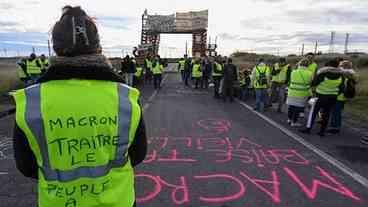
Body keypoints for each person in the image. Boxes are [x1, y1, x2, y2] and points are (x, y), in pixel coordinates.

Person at [11, 6, 147, 207]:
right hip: (117, 200)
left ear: (56, 47)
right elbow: (138, 154)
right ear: (97, 46)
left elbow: (26, 166)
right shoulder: (125, 96)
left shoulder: (32, 100)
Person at [300, 58, 345, 136]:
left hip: (320, 96)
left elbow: (314, 83)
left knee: (313, 113)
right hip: (332, 97)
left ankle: (308, 129)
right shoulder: (341, 75)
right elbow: (342, 88)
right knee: (326, 114)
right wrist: (335, 93)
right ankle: (322, 131)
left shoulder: (323, 74)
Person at [328, 60, 357, 134]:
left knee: (336, 112)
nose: (339, 66)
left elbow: (339, 85)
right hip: (343, 96)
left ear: (344, 66)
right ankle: (334, 126)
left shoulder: (343, 74)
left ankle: (335, 127)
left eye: (340, 65)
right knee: (337, 111)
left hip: (338, 95)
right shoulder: (351, 74)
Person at [286, 58, 313, 127]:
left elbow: (291, 80)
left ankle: (289, 119)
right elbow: (310, 83)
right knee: (297, 108)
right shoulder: (310, 73)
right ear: (308, 65)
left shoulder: (293, 72)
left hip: (292, 91)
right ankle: (294, 122)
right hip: (302, 93)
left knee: (291, 106)